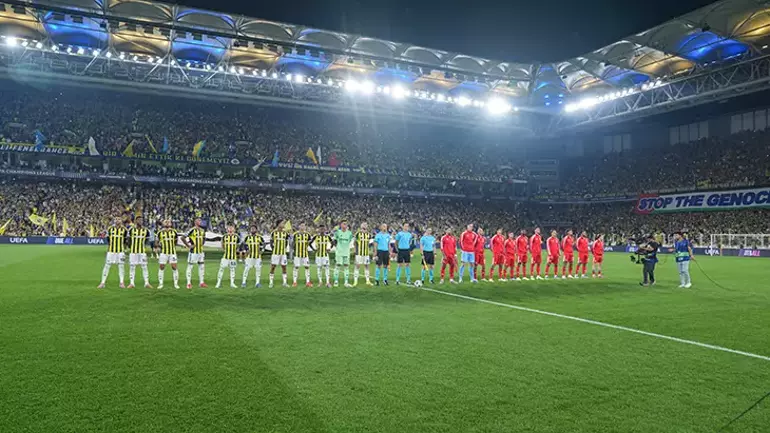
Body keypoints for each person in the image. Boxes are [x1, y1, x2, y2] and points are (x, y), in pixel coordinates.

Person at [98, 217, 127, 289]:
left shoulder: (125, 230)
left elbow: (125, 240)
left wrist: (124, 250)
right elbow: (108, 239)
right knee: (107, 266)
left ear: (121, 220)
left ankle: (121, 282)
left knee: (121, 266)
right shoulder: (110, 229)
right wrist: (109, 248)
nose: (117, 220)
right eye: (116, 219)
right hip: (111, 251)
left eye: (119, 219)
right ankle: (102, 282)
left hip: (120, 251)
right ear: (114, 221)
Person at [127, 216, 152, 289]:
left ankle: (147, 283)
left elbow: (147, 240)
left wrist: (143, 246)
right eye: (139, 220)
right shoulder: (131, 230)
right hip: (133, 252)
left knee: (144, 266)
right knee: (132, 267)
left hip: (142, 252)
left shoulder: (146, 231)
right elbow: (128, 240)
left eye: (141, 220)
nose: (140, 221)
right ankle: (132, 283)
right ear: (136, 221)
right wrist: (130, 247)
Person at [155, 219, 180, 289]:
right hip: (163, 253)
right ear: (162, 223)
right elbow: (156, 243)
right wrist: (158, 249)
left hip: (172, 252)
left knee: (174, 267)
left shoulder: (174, 232)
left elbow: (176, 241)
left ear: (171, 224)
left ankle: (176, 284)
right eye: (165, 221)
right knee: (161, 267)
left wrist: (172, 247)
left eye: (168, 221)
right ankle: (160, 284)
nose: (167, 222)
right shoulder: (159, 232)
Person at [185, 218, 207, 289]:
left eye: (201, 220)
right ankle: (188, 283)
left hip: (200, 251)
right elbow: (183, 237)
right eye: (198, 220)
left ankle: (201, 282)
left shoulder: (202, 230)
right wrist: (188, 245)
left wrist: (201, 243)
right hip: (193, 252)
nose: (200, 221)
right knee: (190, 266)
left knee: (202, 267)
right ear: (195, 222)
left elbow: (204, 239)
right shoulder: (192, 230)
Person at [269, 221, 289, 288]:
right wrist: (273, 249)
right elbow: (271, 242)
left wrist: (284, 249)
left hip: (283, 253)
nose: (283, 224)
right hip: (275, 253)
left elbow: (286, 242)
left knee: (284, 267)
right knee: (273, 267)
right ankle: (271, 282)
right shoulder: (273, 233)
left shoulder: (285, 233)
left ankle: (285, 283)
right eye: (282, 223)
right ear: (278, 224)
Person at [333, 221, 354, 287]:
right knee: (338, 265)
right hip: (339, 252)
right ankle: (336, 281)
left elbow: (350, 240)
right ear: (341, 225)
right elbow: (334, 241)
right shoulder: (337, 232)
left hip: (346, 252)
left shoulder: (349, 233)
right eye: (344, 224)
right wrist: (338, 247)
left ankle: (346, 282)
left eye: (346, 224)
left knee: (346, 266)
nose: (345, 225)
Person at [292, 223, 312, 287]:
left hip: (305, 254)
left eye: (304, 226)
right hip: (297, 254)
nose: (302, 227)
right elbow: (292, 244)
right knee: (296, 267)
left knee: (307, 267)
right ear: (299, 226)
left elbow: (309, 242)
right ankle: (294, 282)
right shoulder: (295, 234)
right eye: (301, 226)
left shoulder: (308, 234)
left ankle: (308, 282)